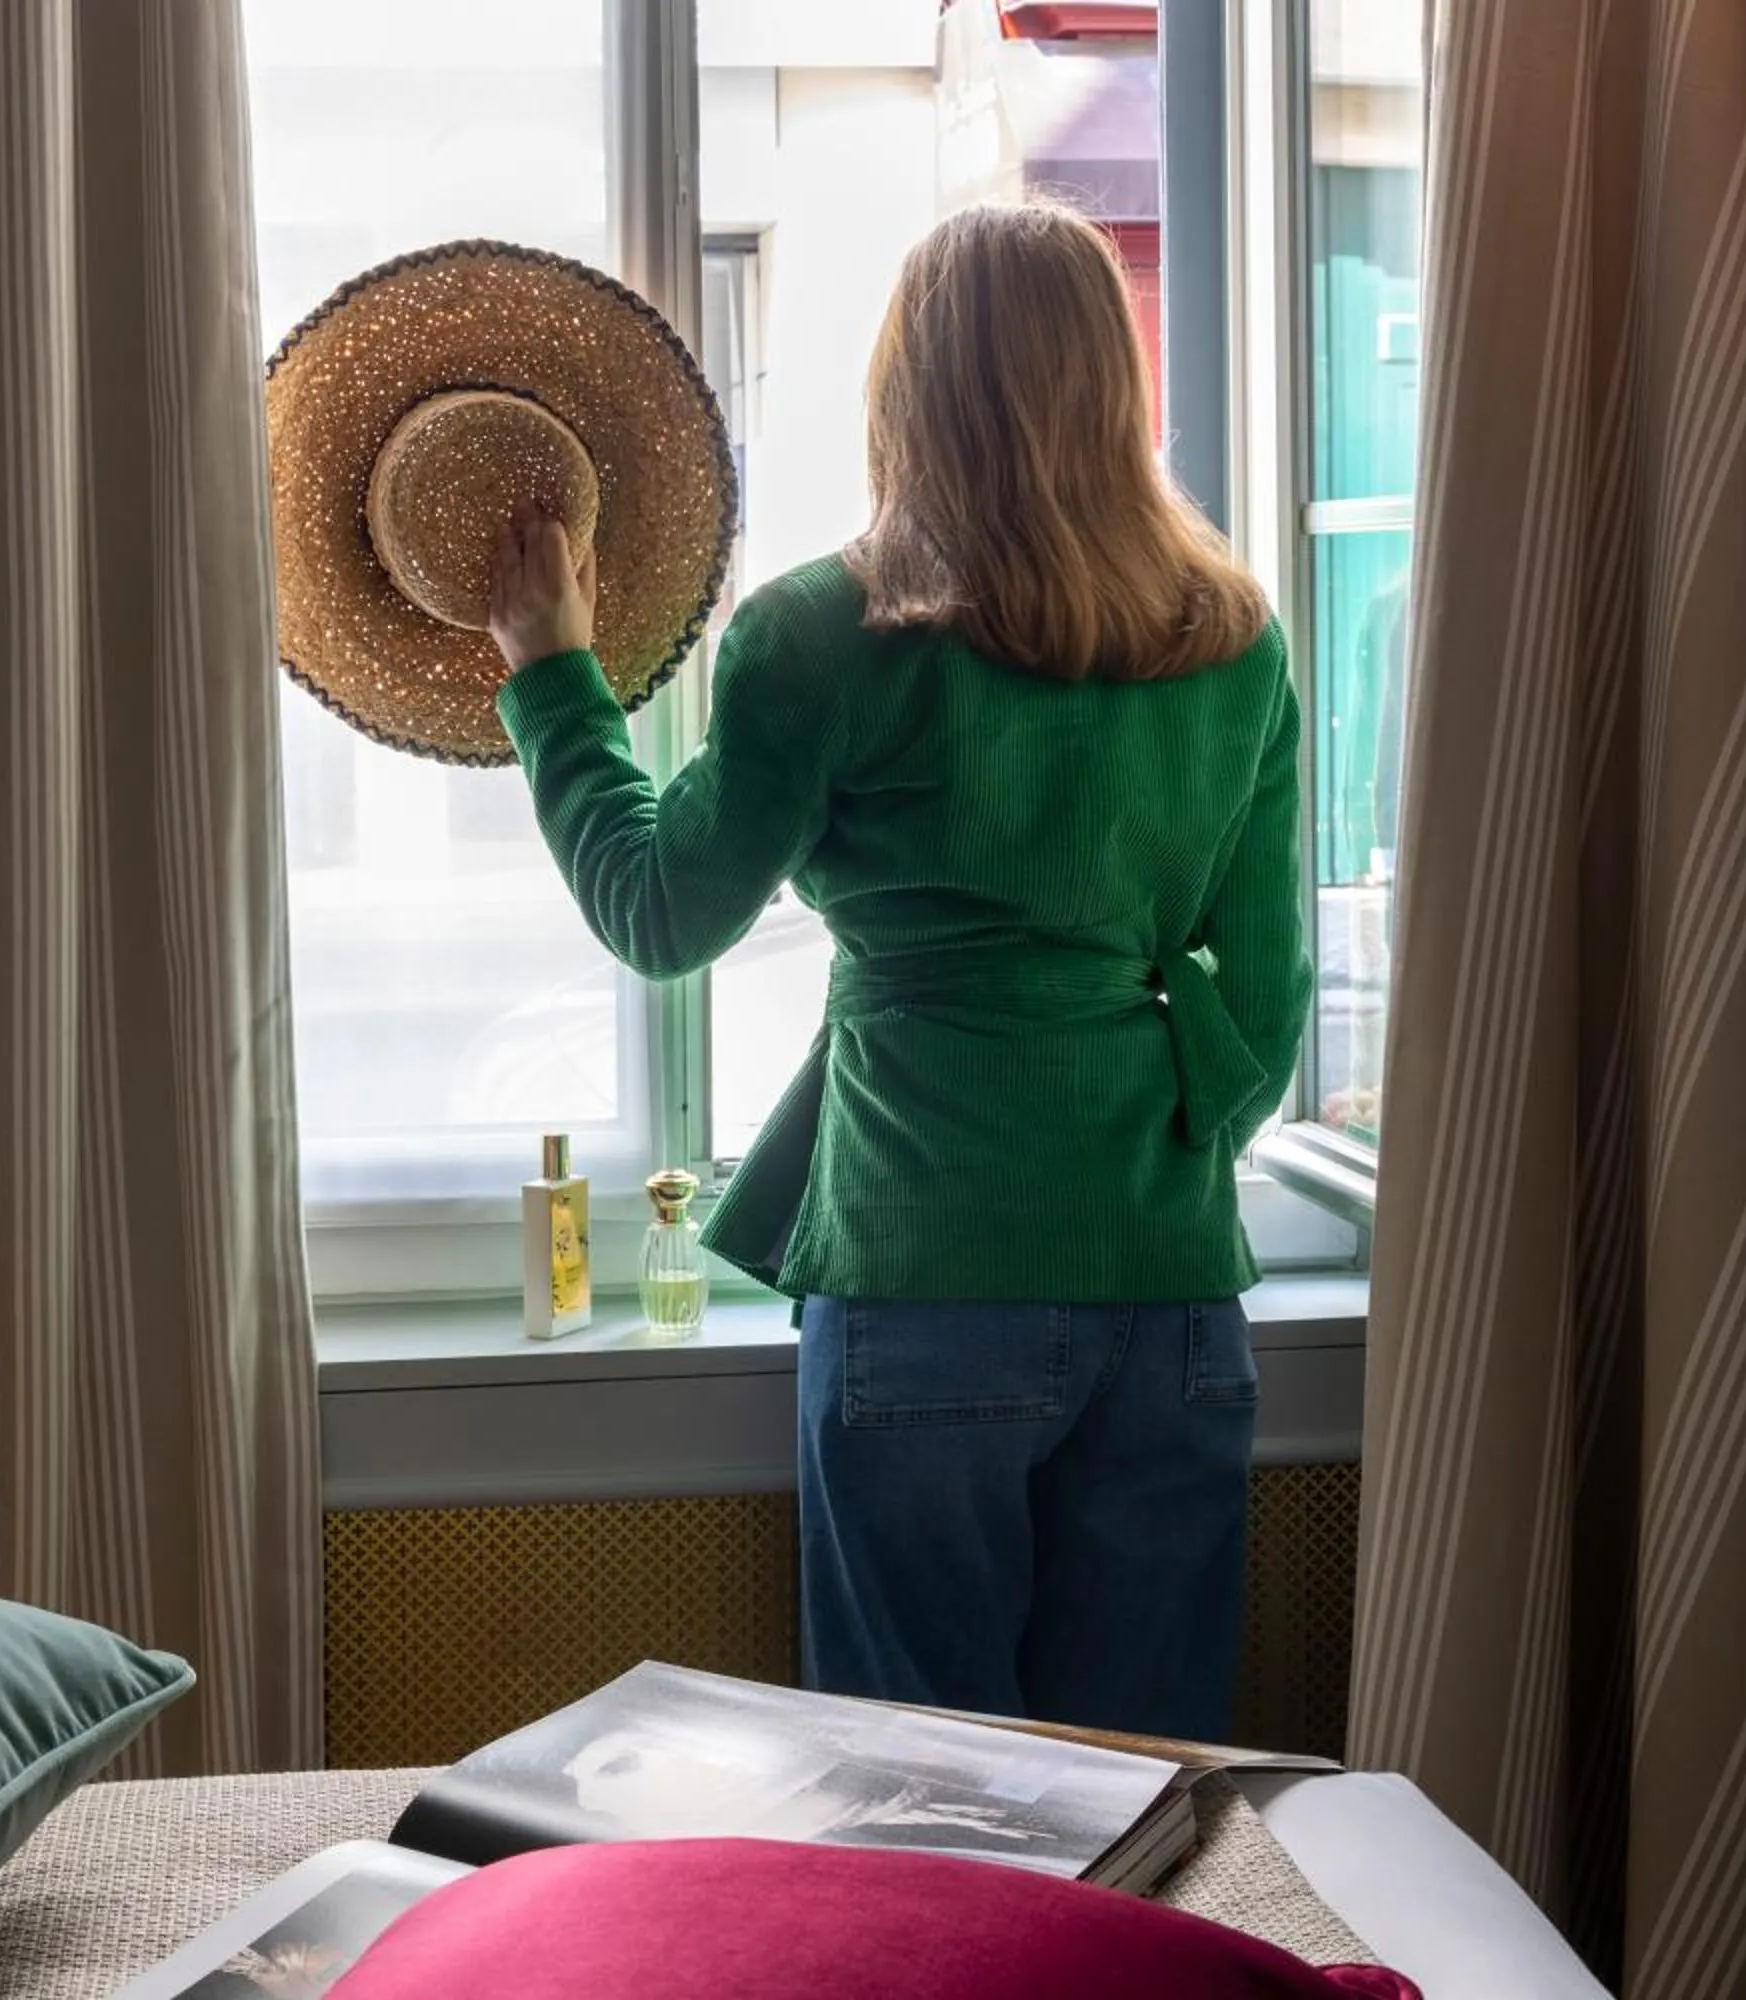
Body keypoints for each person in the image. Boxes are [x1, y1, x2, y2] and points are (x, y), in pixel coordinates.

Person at [481, 200, 1309, 1745]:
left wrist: (552, 677)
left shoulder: (820, 635)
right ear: (1113, 387)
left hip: (920, 1279)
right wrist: (1132, 1129)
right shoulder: (1234, 639)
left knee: (921, 1804)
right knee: (1156, 1801)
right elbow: (1262, 1013)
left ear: (901, 388)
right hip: (1174, 1295)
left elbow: (661, 915)